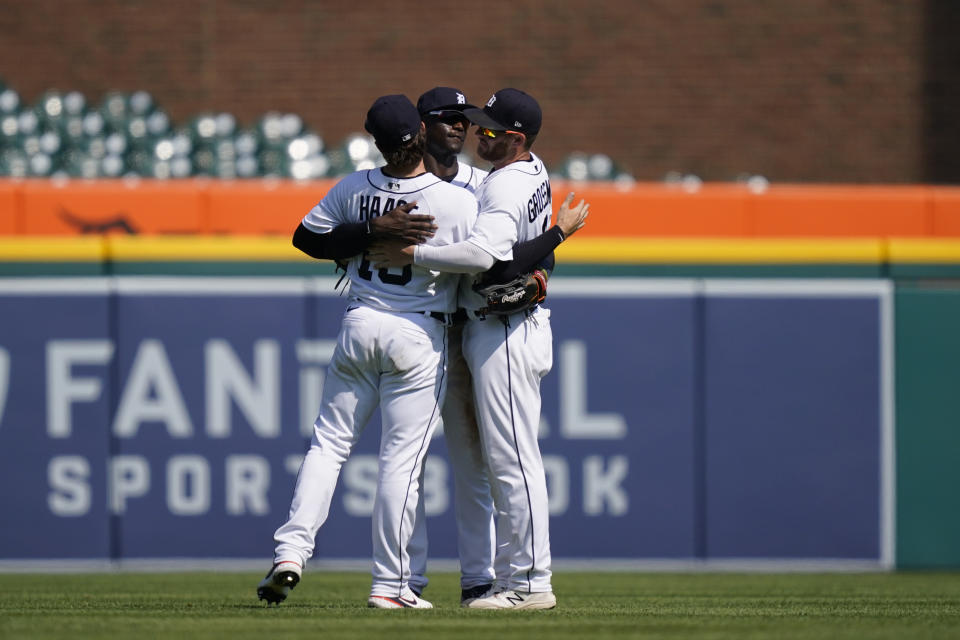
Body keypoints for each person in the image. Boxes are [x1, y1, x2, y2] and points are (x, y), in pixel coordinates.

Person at [369, 88, 589, 610]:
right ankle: (512, 578)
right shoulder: (534, 169)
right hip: (502, 325)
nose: (476, 133)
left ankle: (530, 583)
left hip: (504, 330)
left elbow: (489, 258)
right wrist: (552, 247)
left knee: (513, 460)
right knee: (502, 459)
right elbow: (519, 260)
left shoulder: (506, 185)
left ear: (516, 139)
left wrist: (415, 252)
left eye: (489, 130)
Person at [256, 94, 478, 609]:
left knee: (327, 446)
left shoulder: (354, 187)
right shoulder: (454, 201)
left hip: (359, 324)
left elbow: (306, 239)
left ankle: (290, 552)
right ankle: (392, 586)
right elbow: (487, 261)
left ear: (375, 143)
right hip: (418, 333)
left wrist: (367, 230)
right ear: (422, 134)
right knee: (399, 462)